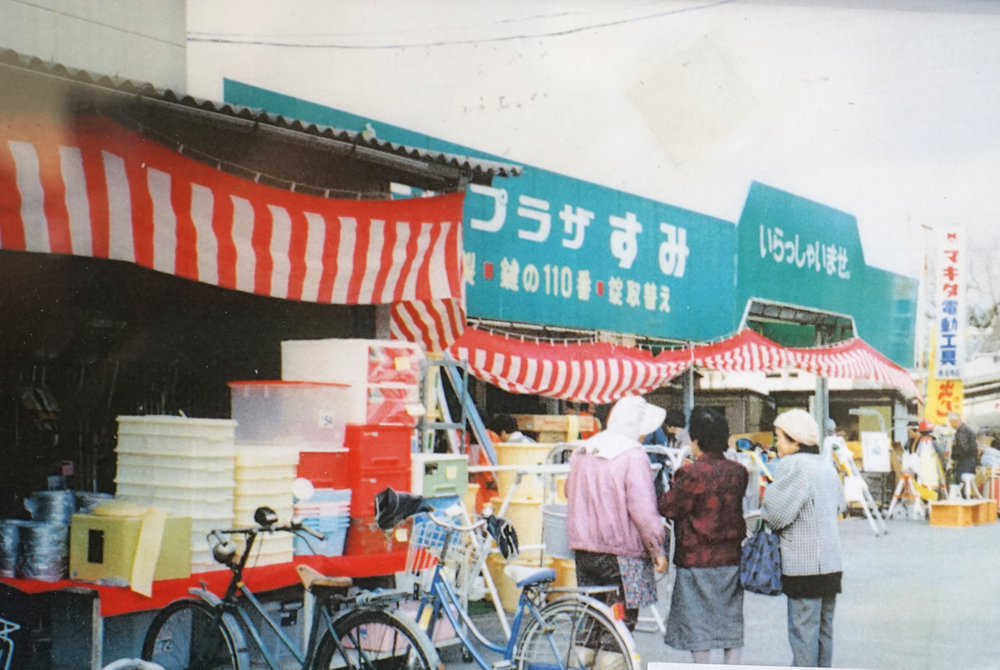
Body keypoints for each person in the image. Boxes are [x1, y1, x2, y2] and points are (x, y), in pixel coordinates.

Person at [565, 395, 668, 670]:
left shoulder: (583, 449)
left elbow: (567, 490)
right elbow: (643, 509)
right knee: (620, 619)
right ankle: (612, 662)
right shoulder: (634, 455)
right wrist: (657, 549)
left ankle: (582, 659)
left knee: (591, 613)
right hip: (623, 552)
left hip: (584, 549)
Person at [659, 406, 749, 665]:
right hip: (731, 558)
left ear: (695, 439)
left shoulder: (690, 474)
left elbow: (669, 507)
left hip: (695, 559)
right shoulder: (738, 472)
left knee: (698, 627)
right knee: (730, 624)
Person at [761, 409, 844, 668]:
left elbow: (775, 515)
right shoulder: (825, 465)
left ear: (795, 440)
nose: (776, 444)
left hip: (804, 567)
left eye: (779, 438)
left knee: (804, 636)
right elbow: (840, 505)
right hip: (831, 564)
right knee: (823, 634)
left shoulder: (793, 465)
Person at [948, 411, 978, 493]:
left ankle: (962, 499)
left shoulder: (962, 431)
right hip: (968, 460)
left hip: (965, 460)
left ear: (955, 421)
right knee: (965, 484)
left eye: (951, 422)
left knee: (961, 483)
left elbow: (963, 448)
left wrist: (954, 456)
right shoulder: (964, 430)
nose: (950, 425)